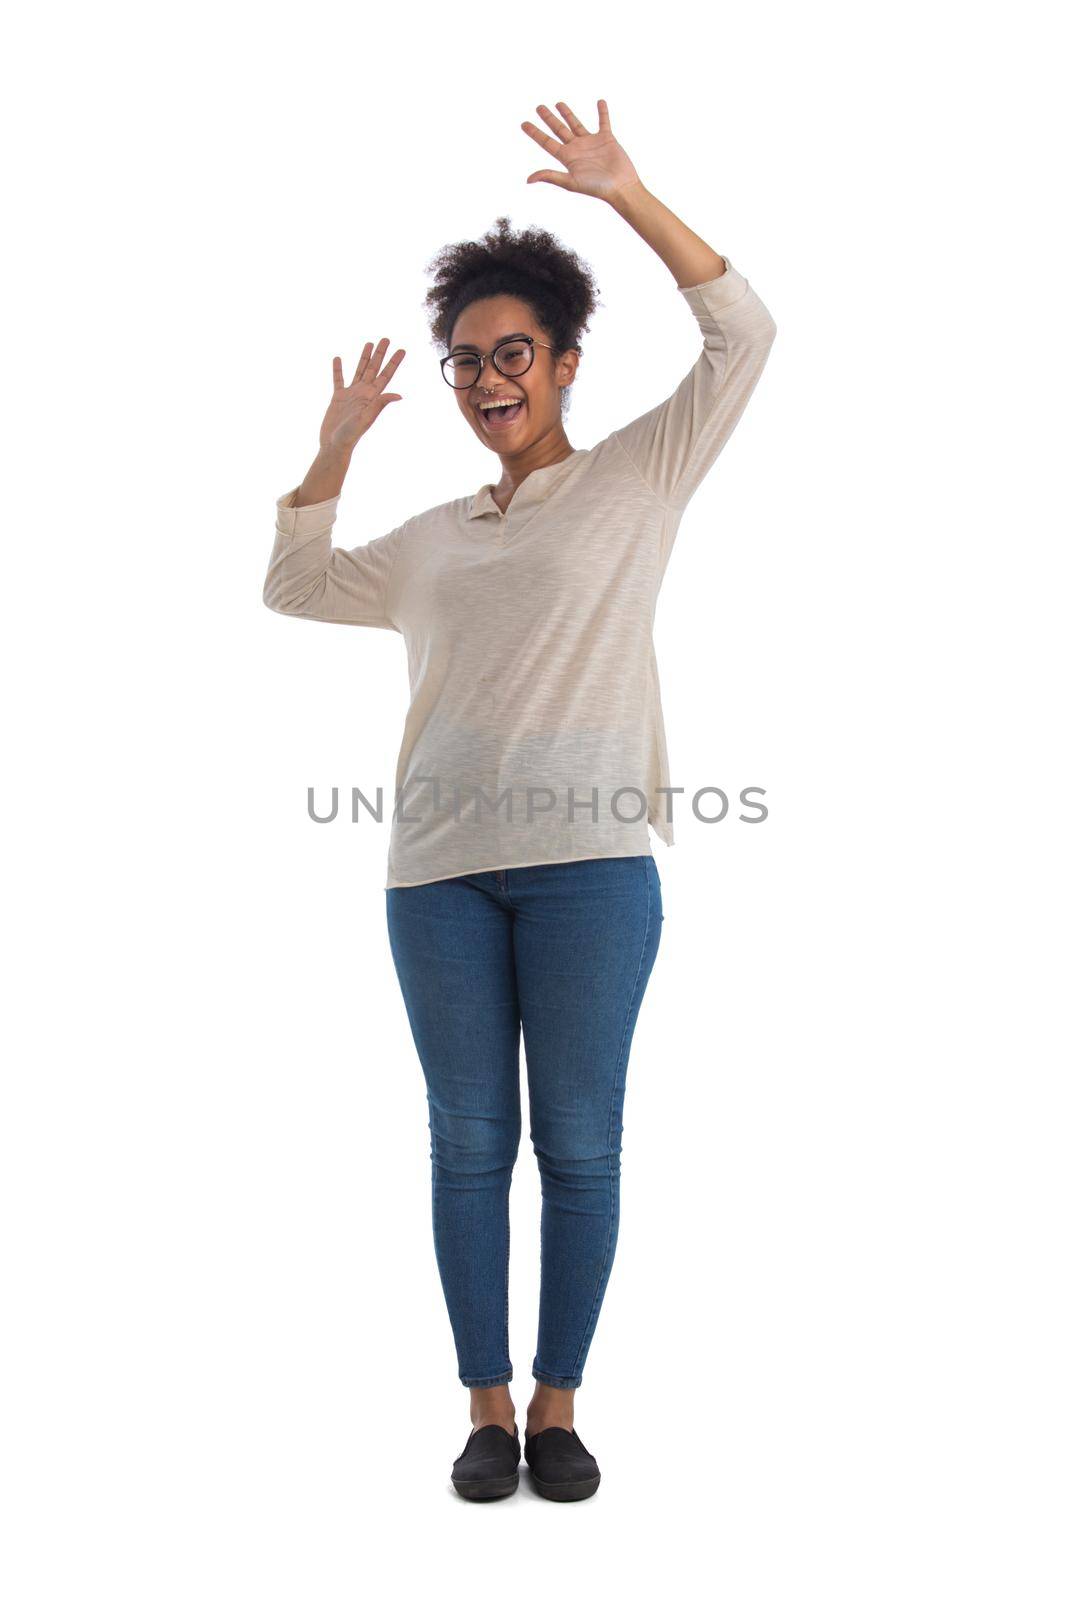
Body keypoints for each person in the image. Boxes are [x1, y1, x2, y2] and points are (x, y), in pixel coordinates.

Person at [262, 97, 777, 1501]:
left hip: (594, 872)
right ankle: (484, 1409)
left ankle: (559, 1408)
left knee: (583, 1145)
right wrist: (335, 450)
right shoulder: (431, 540)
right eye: (465, 363)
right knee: (469, 1144)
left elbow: (748, 339)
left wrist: (630, 193)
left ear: (558, 363)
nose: (487, 379)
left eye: (512, 355)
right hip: (434, 879)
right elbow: (295, 583)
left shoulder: (636, 482)